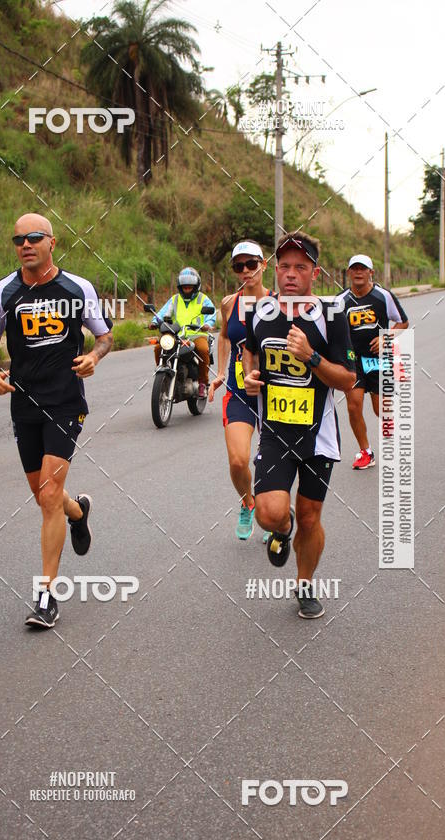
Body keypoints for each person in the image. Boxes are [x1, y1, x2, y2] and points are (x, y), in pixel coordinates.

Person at [0, 213, 113, 629]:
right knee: (45, 497)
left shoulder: (78, 288)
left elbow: (105, 336)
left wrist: (93, 357)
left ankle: (46, 596)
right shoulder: (3, 291)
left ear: (52, 243)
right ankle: (77, 513)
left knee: (49, 492)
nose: (26, 245)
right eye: (18, 239)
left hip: (64, 402)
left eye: (35, 237)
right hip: (24, 403)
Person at [243, 232, 356, 619]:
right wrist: (249, 375)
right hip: (275, 432)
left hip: (317, 436)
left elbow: (348, 379)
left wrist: (311, 357)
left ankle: (304, 584)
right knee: (268, 513)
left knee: (310, 517)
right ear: (276, 269)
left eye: (300, 267)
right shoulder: (260, 311)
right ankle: (281, 528)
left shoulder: (331, 315)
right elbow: (249, 350)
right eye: (285, 266)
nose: (291, 274)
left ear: (315, 273)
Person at [208, 239, 273, 541]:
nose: (246, 270)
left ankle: (272, 515)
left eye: (251, 264)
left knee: (269, 462)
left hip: (274, 394)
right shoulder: (229, 303)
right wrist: (221, 372)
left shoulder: (277, 303)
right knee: (237, 461)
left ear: (264, 265)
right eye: (239, 266)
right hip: (238, 392)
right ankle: (248, 502)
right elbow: (224, 337)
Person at [336, 254, 409, 470]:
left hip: (378, 359)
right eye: (354, 269)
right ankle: (366, 452)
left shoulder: (383, 296)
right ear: (349, 272)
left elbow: (403, 323)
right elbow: (332, 331)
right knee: (354, 406)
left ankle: (394, 441)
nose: (358, 272)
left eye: (363, 269)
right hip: (353, 361)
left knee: (381, 409)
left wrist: (386, 337)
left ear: (371, 272)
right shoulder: (340, 300)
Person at [149, 267, 216, 397]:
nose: (187, 289)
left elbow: (211, 314)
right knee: (159, 347)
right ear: (180, 287)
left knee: (203, 350)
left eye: (190, 287)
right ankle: (162, 375)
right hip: (176, 335)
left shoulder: (203, 299)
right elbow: (162, 313)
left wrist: (207, 324)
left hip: (197, 334)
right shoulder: (174, 299)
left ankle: (203, 383)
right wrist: (155, 322)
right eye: (184, 287)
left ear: (196, 286)